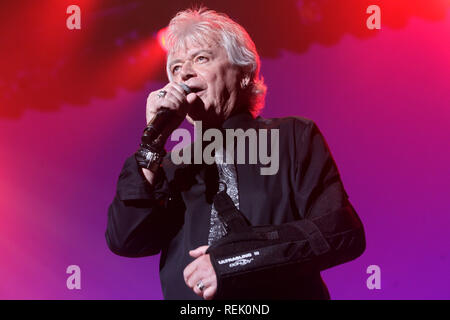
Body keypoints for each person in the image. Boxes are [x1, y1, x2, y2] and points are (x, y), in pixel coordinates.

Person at [106, 7, 365, 300]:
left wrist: (235, 260)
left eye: (200, 58)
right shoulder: (172, 166)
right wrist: (152, 140)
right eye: (176, 68)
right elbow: (125, 240)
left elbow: (341, 232)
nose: (184, 74)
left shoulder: (292, 137)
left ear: (243, 74)